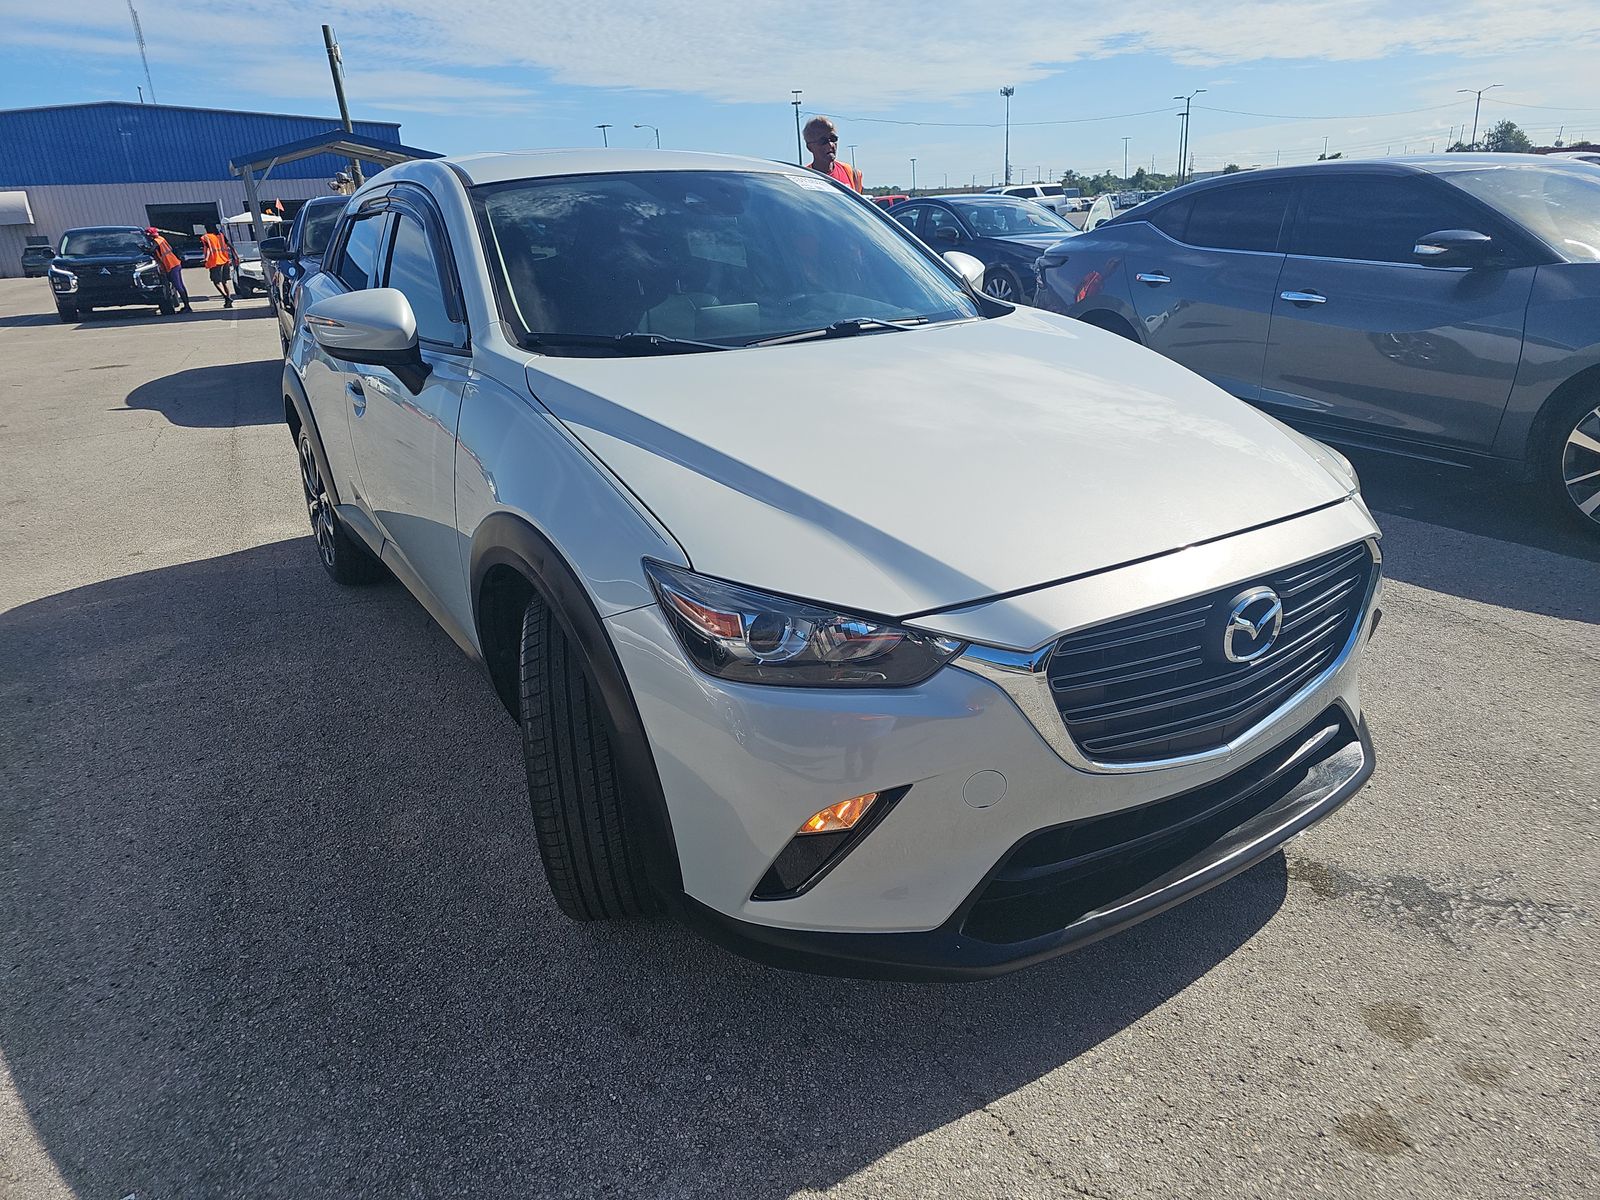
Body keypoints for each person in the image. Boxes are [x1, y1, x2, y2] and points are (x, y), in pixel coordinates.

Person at [803, 116, 863, 192]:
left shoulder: (851, 173)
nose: (831, 145)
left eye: (833, 139)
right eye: (823, 141)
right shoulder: (805, 177)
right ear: (810, 147)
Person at [145, 227, 191, 313]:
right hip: (174, 263)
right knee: (180, 285)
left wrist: (144, 249)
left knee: (178, 286)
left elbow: (151, 250)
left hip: (171, 265)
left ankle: (187, 307)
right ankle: (187, 306)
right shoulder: (161, 238)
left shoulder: (156, 241)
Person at [199, 224, 237, 308]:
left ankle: (226, 298)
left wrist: (206, 259)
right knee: (224, 281)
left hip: (215, 261)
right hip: (225, 260)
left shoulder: (206, 237)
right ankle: (228, 300)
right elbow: (230, 246)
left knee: (216, 282)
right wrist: (236, 256)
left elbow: (208, 249)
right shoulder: (221, 235)